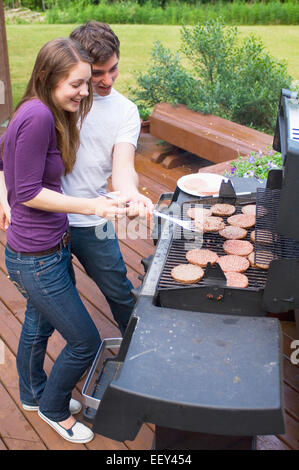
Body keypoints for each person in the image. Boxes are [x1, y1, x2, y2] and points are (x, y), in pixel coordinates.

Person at [0, 37, 131, 444]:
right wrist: (95, 207)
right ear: (47, 77)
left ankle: (34, 395)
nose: (85, 91)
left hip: (45, 250)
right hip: (35, 257)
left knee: (38, 328)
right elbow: (27, 192)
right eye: (77, 83)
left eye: (86, 83)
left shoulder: (37, 110)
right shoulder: (39, 116)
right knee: (84, 340)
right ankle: (55, 410)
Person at [62, 21, 153, 336]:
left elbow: (123, 164)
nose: (107, 80)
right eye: (97, 73)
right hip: (49, 219)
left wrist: (130, 193)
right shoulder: (62, 101)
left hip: (94, 218)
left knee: (119, 289)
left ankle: (139, 354)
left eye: (113, 69)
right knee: (44, 312)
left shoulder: (126, 110)